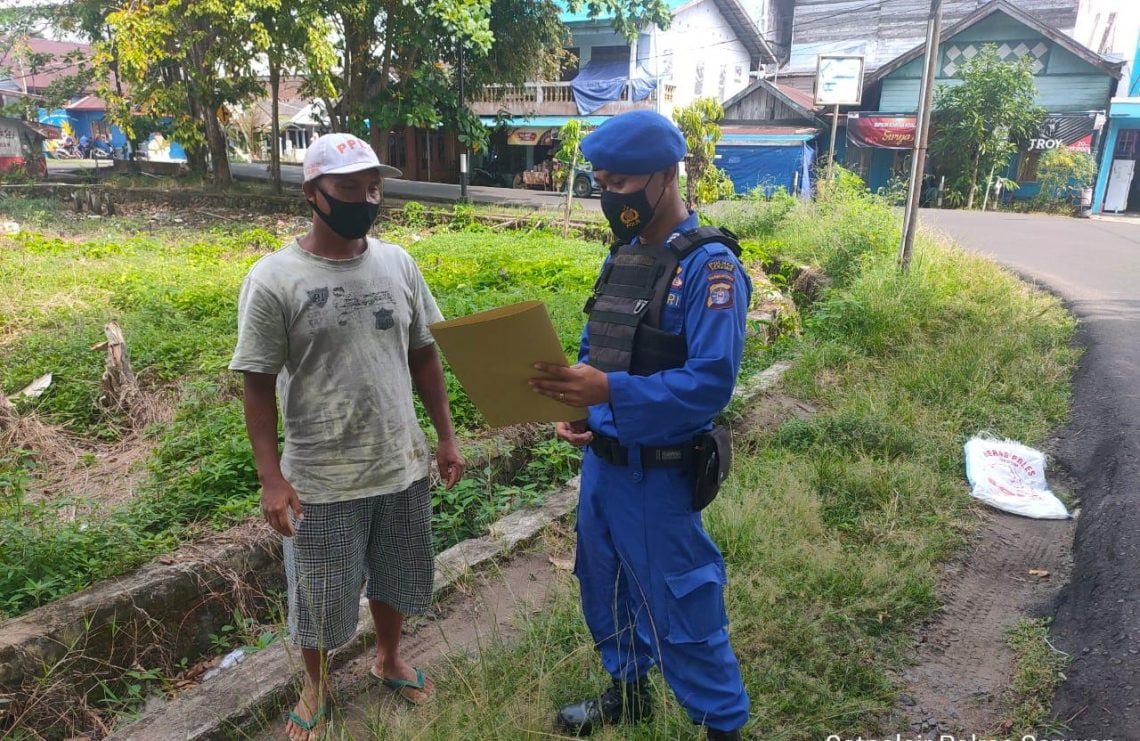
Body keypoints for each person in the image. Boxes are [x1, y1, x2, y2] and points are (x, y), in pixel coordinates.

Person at [229, 133, 465, 740]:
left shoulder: (398, 264)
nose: (367, 198)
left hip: (401, 461)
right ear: (314, 194)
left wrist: (445, 436)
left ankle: (388, 657)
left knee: (395, 575)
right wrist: (271, 479)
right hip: (321, 476)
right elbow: (256, 384)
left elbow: (425, 355)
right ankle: (318, 685)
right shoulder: (275, 278)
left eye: (373, 187)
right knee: (318, 596)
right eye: (350, 188)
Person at [529, 110, 752, 740]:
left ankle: (722, 726)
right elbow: (596, 344)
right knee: (604, 583)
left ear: (664, 176)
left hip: (658, 476)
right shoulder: (625, 255)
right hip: (604, 465)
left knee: (683, 602)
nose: (610, 195)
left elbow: (710, 381)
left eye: (622, 182)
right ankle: (627, 692)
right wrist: (579, 404)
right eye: (601, 180)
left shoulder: (709, 268)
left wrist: (610, 391)